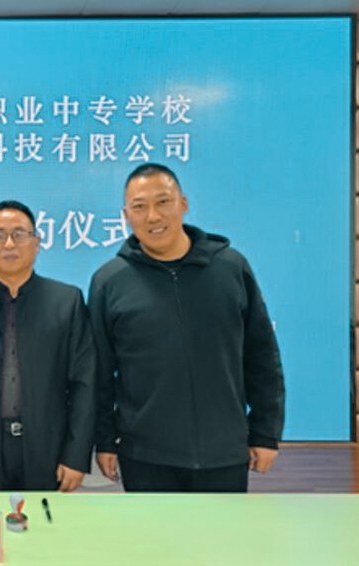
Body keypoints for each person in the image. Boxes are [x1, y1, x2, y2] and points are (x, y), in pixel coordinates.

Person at [88, 163, 285, 492]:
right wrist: (105, 441)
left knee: (222, 529)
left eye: (163, 202)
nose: (153, 216)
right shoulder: (110, 282)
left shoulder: (231, 268)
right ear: (126, 216)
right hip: (145, 456)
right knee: (152, 530)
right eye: (139, 207)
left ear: (183, 204)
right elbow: (100, 372)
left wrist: (265, 433)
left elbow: (262, 356)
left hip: (224, 452)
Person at [0, 200, 96, 492]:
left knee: (48, 520)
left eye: (19, 234)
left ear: (37, 243)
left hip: (50, 449)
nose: (9, 244)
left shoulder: (67, 301)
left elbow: (84, 383)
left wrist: (76, 455)